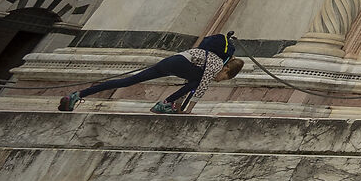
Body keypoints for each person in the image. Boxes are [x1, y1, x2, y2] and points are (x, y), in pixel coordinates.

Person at [60, 32, 242, 113]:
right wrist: (188, 110)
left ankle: (77, 95)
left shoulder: (206, 56)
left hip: (172, 61)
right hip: (180, 64)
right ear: (226, 69)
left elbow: (191, 86)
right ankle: (164, 104)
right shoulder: (217, 63)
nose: (220, 79)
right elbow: (200, 87)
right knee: (198, 82)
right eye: (224, 77)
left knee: (128, 81)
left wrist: (180, 105)